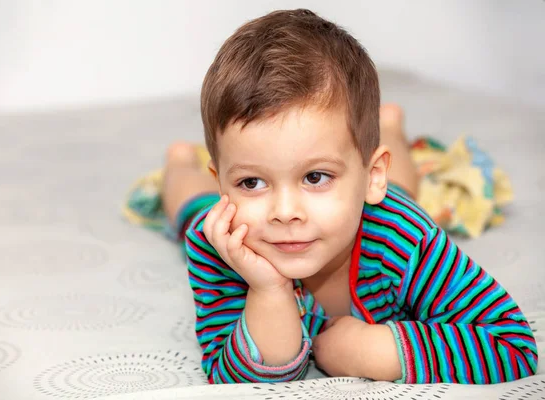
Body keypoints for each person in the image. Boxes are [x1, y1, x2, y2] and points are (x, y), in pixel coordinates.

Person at [160, 9, 538, 384]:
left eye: (315, 176)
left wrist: (378, 351)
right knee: (192, 208)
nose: (285, 212)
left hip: (381, 210)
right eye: (251, 183)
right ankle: (178, 164)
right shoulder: (221, 246)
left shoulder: (405, 239)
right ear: (222, 184)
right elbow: (231, 376)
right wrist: (268, 291)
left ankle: (388, 125)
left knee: (403, 191)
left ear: (373, 177)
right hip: (264, 214)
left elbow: (512, 345)